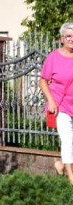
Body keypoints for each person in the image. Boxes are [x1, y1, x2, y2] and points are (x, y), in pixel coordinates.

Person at [39, 22, 73, 184]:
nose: (71, 39)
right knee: (68, 140)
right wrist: (51, 101)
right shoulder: (54, 57)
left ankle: (60, 164)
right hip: (61, 107)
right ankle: (71, 177)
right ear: (62, 39)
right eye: (68, 36)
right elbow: (43, 81)